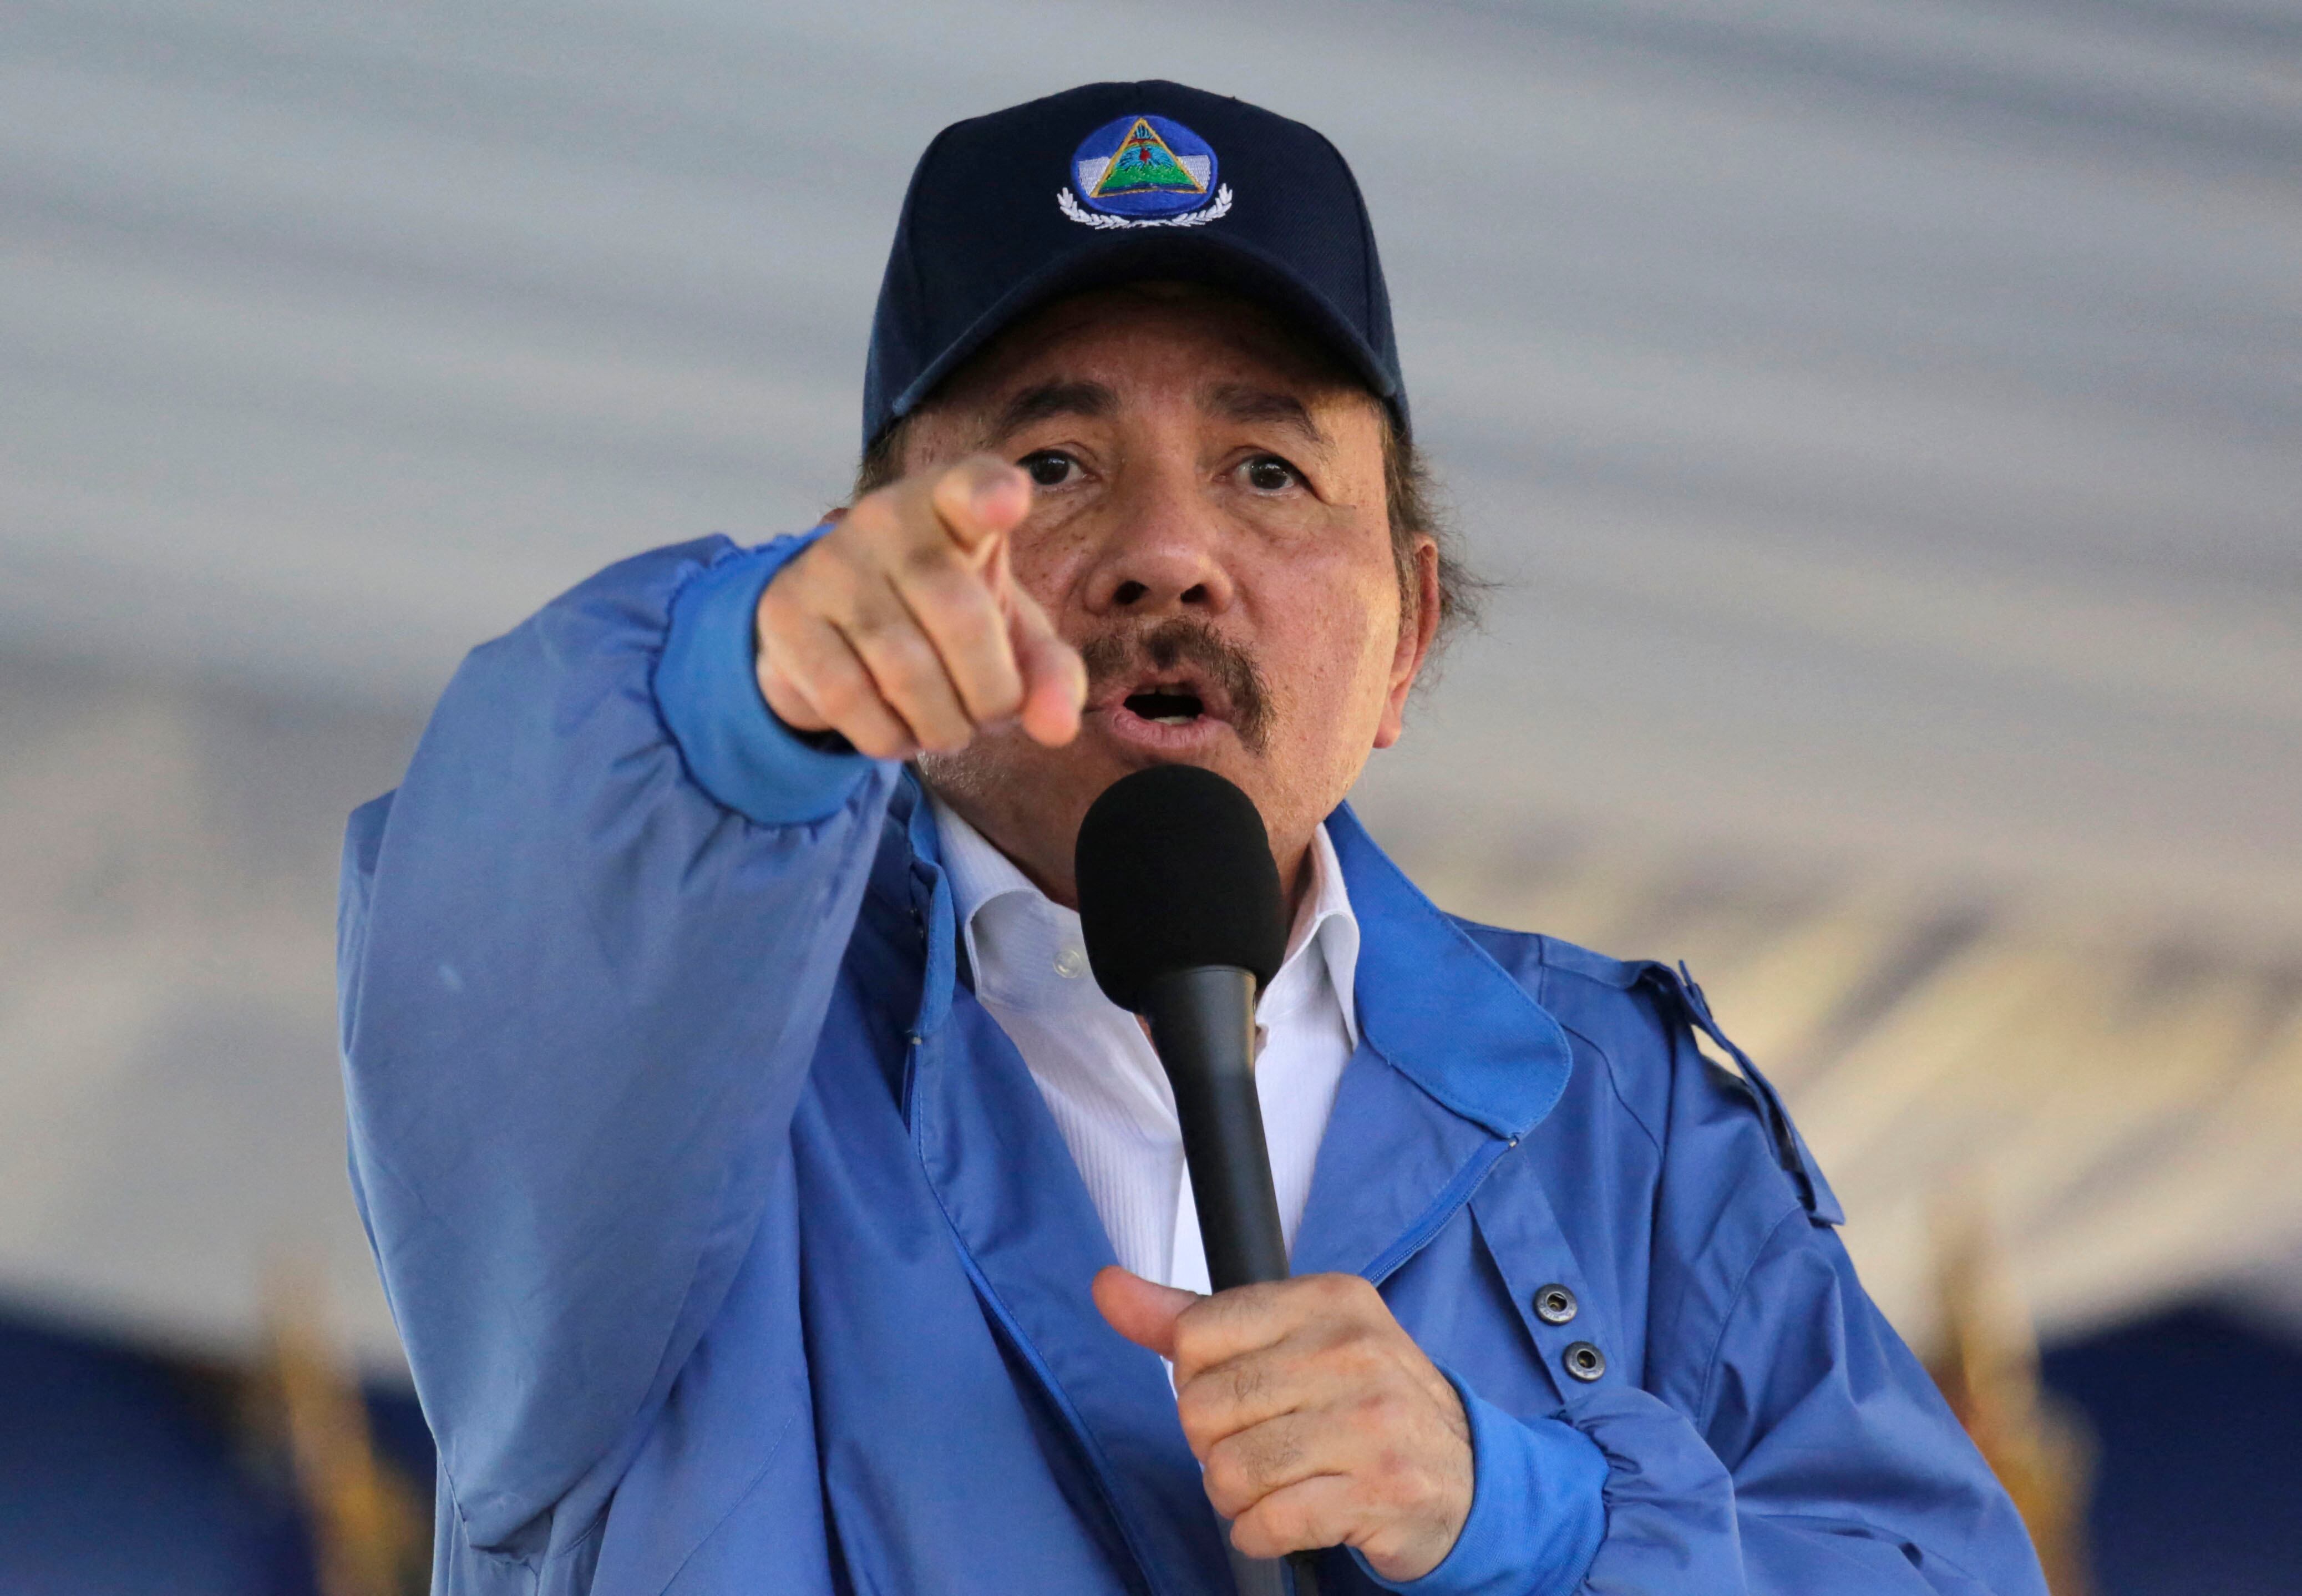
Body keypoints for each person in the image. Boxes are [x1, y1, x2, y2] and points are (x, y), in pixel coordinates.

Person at [338, 81, 2049, 1596]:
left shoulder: (1628, 1120)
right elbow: (511, 925)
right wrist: (735, 687)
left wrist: (1532, 1522)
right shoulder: (686, 1059)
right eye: (1058, 464)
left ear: (1411, 634)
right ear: (890, 564)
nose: (1170, 553)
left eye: (1269, 472)